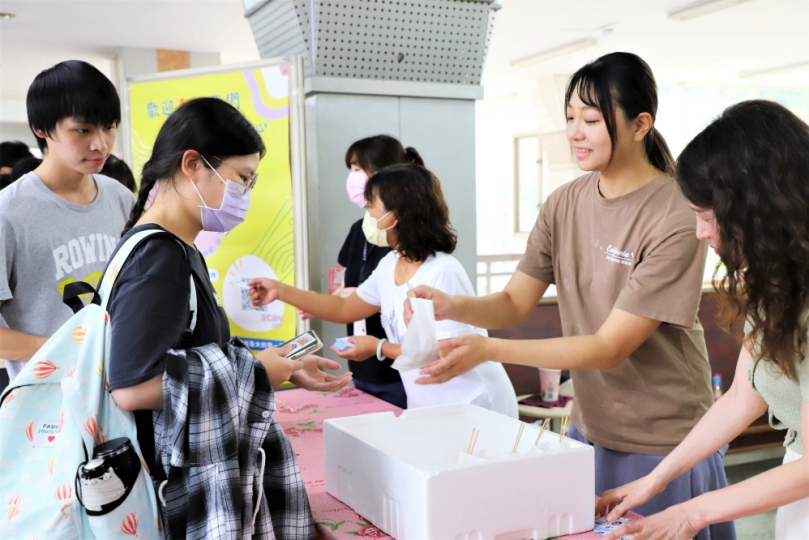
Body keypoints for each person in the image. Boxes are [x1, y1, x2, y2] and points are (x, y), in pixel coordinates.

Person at [405, 52, 733, 539]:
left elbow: (609, 346)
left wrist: (490, 348)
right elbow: (515, 302)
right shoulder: (563, 203)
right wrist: (451, 305)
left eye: (592, 120)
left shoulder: (676, 213)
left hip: (664, 439)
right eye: (570, 118)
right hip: (590, 430)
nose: (575, 132)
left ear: (640, 124)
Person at [598, 100, 809, 540]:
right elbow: (740, 398)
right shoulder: (778, 280)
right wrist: (655, 480)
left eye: (707, 218)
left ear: (759, 210)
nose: (700, 233)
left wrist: (691, 514)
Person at [108, 96, 350, 467]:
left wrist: (278, 367)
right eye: (242, 178)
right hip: (167, 484)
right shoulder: (160, 256)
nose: (245, 195)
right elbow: (134, 389)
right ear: (192, 164)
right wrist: (256, 373)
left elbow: (189, 356)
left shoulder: (174, 248)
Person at [248, 164, 518, 416]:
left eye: (371, 206)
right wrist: (280, 290)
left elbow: (447, 352)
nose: (369, 215)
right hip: (430, 405)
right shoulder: (390, 264)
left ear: (397, 214)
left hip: (474, 402)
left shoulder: (443, 271)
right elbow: (344, 308)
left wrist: (378, 347)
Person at [0, 60, 135, 382]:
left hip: (126, 393)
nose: (101, 143)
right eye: (83, 130)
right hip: (49, 411)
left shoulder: (121, 198)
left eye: (110, 126)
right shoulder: (9, 212)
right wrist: (71, 351)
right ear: (42, 130)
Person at [334, 135, 424, 409]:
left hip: (398, 370)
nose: (353, 178)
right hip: (361, 364)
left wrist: (359, 298)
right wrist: (328, 301)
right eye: (351, 169)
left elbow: (413, 301)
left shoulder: (408, 238)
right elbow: (344, 285)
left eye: (359, 169)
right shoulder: (359, 228)